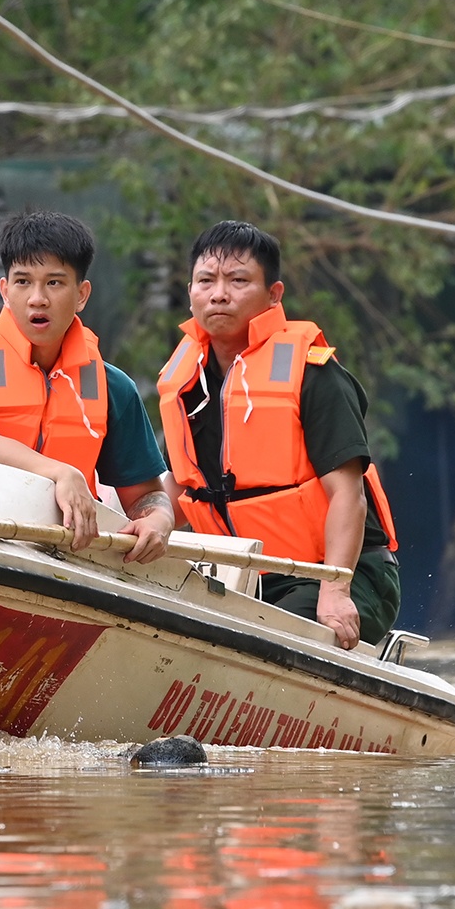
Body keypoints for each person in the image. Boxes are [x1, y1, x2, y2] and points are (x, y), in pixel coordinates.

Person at [154, 221, 402, 649]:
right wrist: (145, 524)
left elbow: (349, 495)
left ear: (274, 295)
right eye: (205, 281)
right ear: (191, 290)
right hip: (241, 579)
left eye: (238, 281)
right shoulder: (187, 381)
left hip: (339, 574)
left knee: (260, 636)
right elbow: (180, 486)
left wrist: (336, 591)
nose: (219, 294)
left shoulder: (313, 372)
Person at [0, 211, 177, 564]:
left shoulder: (113, 387)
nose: (37, 298)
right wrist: (58, 472)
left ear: (82, 294)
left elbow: (147, 495)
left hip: (59, 560)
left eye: (54, 283)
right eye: (23, 282)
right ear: (5, 291)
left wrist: (158, 520)